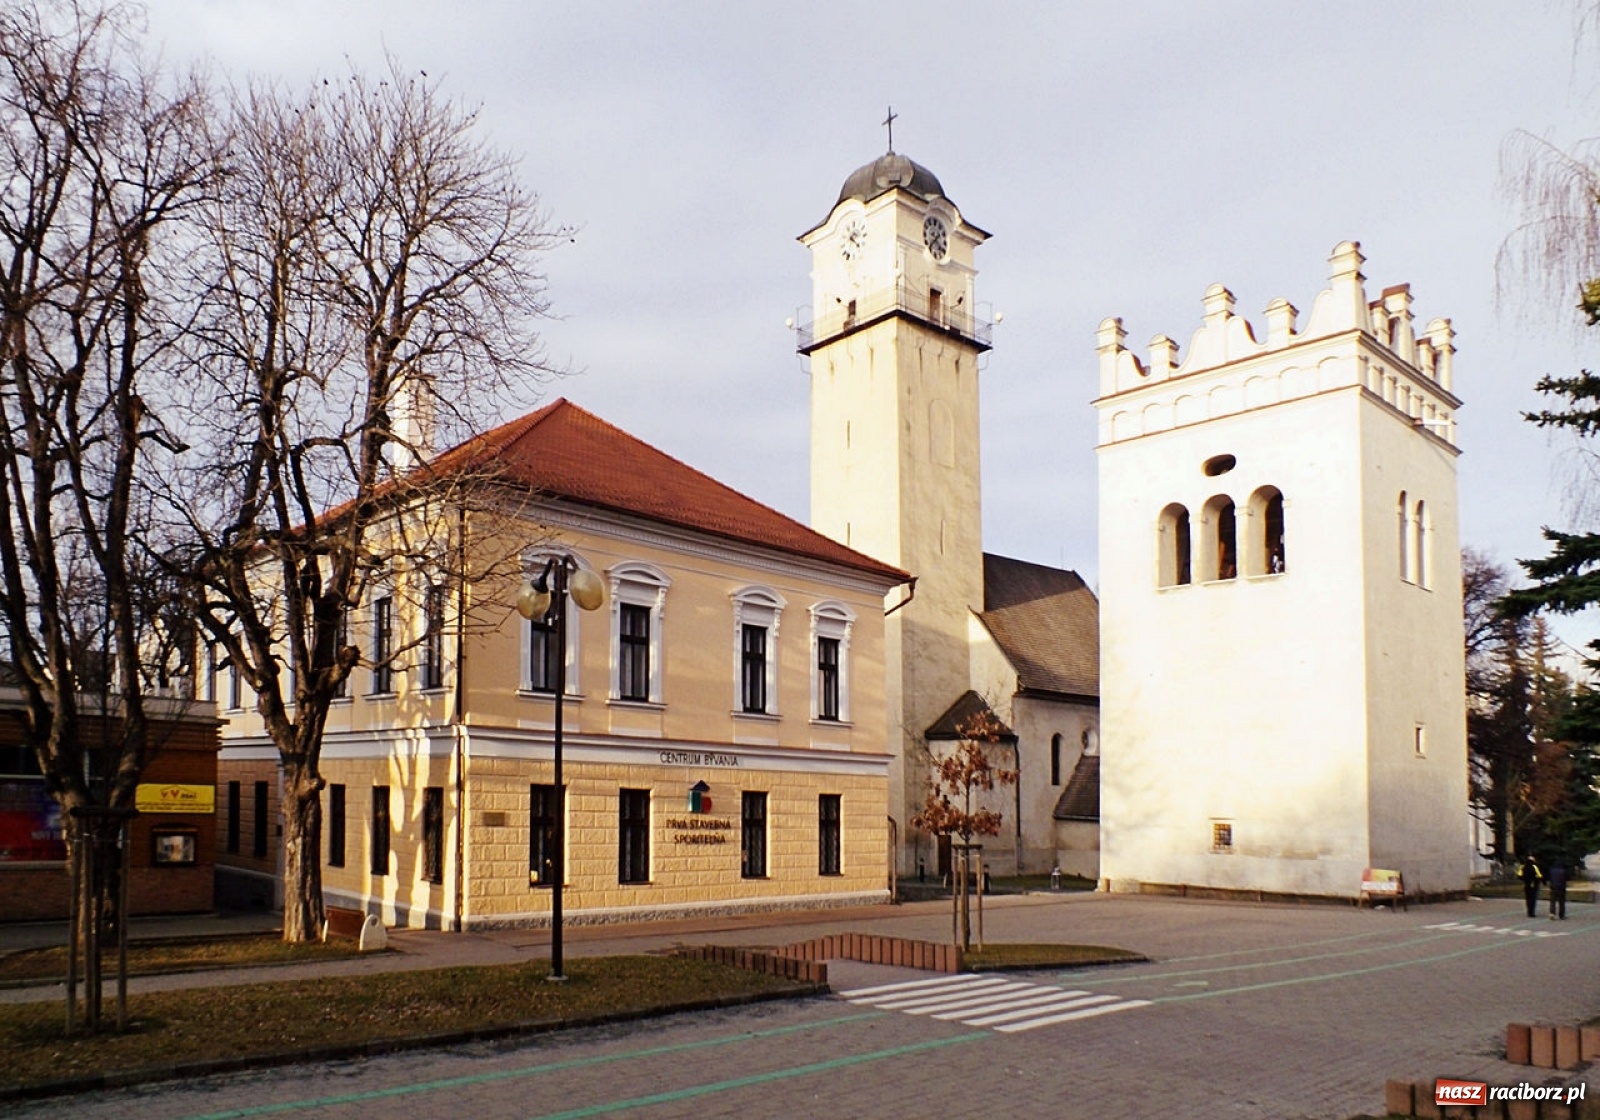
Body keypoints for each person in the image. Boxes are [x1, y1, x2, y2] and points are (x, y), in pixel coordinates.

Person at [1521, 854, 1543, 918]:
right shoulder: (1535, 867)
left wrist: (1525, 879)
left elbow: (1519, 875)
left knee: (1528, 899)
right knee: (1533, 899)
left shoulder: (1523, 866)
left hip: (1527, 885)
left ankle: (1529, 911)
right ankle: (1532, 912)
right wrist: (1536, 879)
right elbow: (1539, 876)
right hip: (1533, 885)